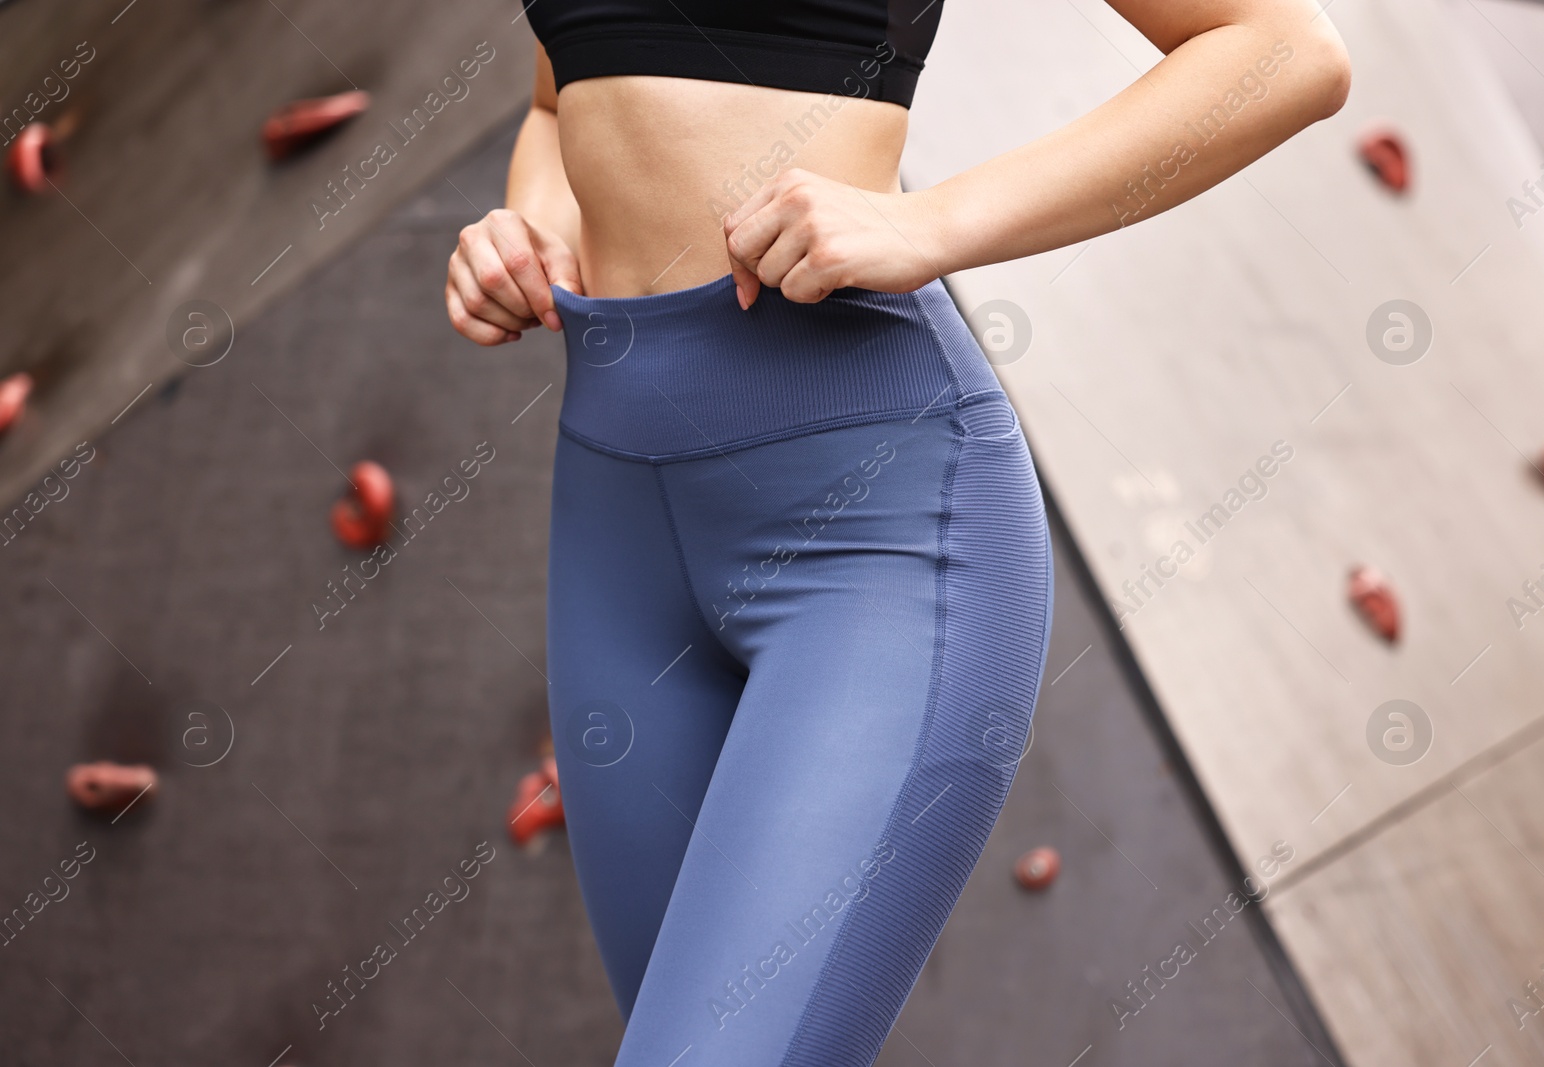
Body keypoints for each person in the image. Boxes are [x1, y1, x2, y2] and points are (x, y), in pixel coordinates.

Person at [445, 1, 1349, 1063]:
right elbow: (562, 100)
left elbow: (1283, 51)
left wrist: (935, 222)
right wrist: (531, 223)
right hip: (615, 534)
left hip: (873, 530)